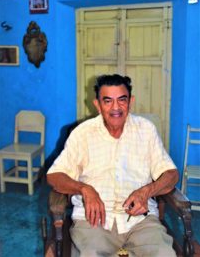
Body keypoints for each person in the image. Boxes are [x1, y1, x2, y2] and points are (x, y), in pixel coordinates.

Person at [47, 74, 179, 257]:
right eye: (107, 101)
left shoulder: (146, 130)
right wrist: (84, 189)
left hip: (141, 221)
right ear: (97, 104)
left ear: (130, 101)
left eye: (122, 100)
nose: (115, 108)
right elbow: (54, 175)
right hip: (94, 222)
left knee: (164, 254)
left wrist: (147, 191)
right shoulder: (82, 133)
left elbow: (171, 174)